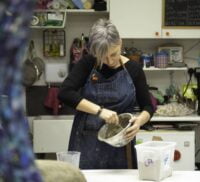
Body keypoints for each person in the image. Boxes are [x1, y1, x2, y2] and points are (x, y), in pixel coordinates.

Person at [58, 18, 154, 169]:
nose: (110, 61)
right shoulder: (88, 63)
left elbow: (148, 106)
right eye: (103, 56)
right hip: (86, 139)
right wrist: (100, 111)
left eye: (114, 54)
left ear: (120, 42)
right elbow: (64, 93)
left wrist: (139, 122)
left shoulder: (134, 70)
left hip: (121, 142)